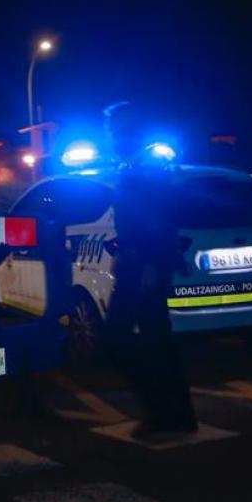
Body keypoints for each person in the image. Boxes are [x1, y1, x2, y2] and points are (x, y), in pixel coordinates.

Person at [101, 100, 198, 438]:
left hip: (144, 262)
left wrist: (149, 264)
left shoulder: (145, 169)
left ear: (129, 130)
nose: (110, 136)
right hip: (140, 259)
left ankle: (163, 412)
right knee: (156, 339)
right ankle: (176, 413)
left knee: (124, 337)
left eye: (114, 130)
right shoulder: (134, 166)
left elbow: (157, 220)